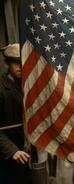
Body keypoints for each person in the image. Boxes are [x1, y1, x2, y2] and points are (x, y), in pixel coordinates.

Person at [0, 43, 30, 183]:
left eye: (22, 62)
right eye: (15, 63)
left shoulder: (29, 84)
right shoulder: (2, 88)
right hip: (7, 156)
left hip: (27, 153)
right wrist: (12, 150)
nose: (20, 66)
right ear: (7, 63)